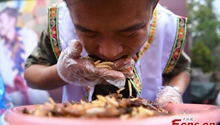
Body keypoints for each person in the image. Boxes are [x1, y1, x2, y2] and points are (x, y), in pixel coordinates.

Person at [24, 0, 191, 107]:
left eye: (129, 33)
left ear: (154, 4)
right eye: (89, 34)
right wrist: (62, 73)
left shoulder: (167, 27)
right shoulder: (60, 25)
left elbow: (181, 70)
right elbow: (31, 74)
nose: (109, 52)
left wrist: (172, 92)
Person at [0, 7, 50, 106]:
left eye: (1, 21)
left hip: (35, 92)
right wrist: (14, 81)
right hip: (12, 97)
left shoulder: (29, 37)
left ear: (12, 21)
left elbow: (38, 62)